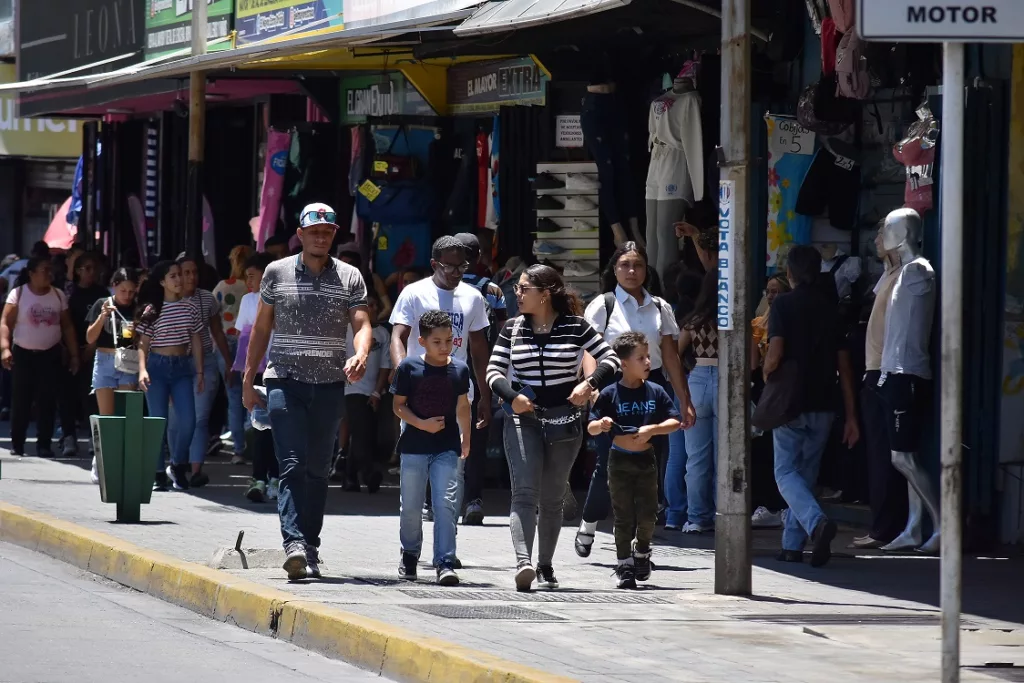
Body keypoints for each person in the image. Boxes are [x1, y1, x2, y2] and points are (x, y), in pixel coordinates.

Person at [242, 202, 373, 582]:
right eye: (314, 231)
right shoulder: (276, 272)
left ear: (334, 235)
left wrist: (361, 353)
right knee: (293, 464)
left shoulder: (350, 277)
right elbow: (262, 329)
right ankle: (294, 544)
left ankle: (310, 545)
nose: (321, 236)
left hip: (330, 384)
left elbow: (362, 323)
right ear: (300, 235)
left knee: (318, 469)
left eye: (328, 231)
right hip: (284, 379)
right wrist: (249, 379)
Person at [485, 264, 620, 592]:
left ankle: (545, 564)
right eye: (517, 288)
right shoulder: (512, 328)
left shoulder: (577, 327)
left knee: (551, 497)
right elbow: (493, 371)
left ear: (544, 294)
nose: (517, 294)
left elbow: (611, 359)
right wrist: (512, 396)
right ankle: (523, 562)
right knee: (525, 492)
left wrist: (589, 384)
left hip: (565, 422)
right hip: (522, 418)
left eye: (523, 289)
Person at [576, 242, 693, 556]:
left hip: (651, 386)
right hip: (612, 385)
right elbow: (590, 349)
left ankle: (637, 543)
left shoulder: (659, 306)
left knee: (648, 465)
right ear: (614, 269)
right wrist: (594, 385)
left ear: (646, 270)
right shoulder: (604, 304)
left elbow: (669, 355)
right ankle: (589, 522)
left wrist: (684, 398)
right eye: (625, 265)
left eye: (637, 265)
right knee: (608, 463)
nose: (631, 271)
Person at [763, 245, 860, 567]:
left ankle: (817, 523)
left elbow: (774, 354)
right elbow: (844, 366)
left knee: (785, 473)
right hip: (824, 402)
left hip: (791, 402)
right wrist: (850, 415)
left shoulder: (784, 305)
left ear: (789, 272)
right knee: (805, 475)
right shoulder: (830, 308)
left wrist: (766, 373)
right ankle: (792, 545)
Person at [389, 236, 491, 530]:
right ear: (434, 264)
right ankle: (413, 535)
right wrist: (402, 375)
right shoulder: (414, 293)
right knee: (415, 464)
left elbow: (479, 349)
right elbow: (398, 337)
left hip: (457, 393)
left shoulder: (472, 297)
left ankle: (446, 541)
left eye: (463, 266)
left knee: (455, 467)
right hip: (417, 394)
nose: (457, 272)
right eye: (450, 266)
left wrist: (484, 394)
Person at [589, 332, 681, 588]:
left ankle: (642, 551)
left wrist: (652, 430)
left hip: (646, 461)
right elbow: (591, 427)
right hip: (618, 461)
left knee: (649, 513)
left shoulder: (656, 391)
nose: (648, 362)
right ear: (624, 364)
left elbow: (674, 421)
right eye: (642, 358)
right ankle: (624, 565)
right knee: (623, 515)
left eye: (649, 357)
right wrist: (602, 424)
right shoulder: (609, 393)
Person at [391, 310, 472, 586]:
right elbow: (398, 406)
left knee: (446, 504)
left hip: (446, 447)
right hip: (414, 446)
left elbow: (463, 406)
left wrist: (466, 438)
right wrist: (421, 424)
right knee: (411, 507)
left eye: (449, 340)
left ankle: (445, 561)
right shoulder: (409, 368)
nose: (444, 347)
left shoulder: (459, 369)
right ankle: (410, 555)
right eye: (437, 341)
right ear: (422, 341)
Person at [453, 231, 507, 525]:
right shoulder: (493, 291)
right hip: (480, 372)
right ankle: (473, 500)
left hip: (443, 370)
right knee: (475, 435)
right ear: (479, 258)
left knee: (437, 433)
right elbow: (502, 333)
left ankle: (433, 499)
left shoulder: (440, 286)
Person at [135, 261, 205, 491]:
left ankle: (177, 464)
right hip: (156, 367)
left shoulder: (190, 308)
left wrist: (200, 371)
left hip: (182, 368)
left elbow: (196, 340)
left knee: (188, 421)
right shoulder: (152, 310)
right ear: (162, 282)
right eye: (172, 276)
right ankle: (157, 473)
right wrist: (142, 369)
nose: (178, 280)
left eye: (179, 275)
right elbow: (143, 344)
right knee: (158, 422)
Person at [0, 256, 79, 457]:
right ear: (31, 273)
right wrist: (5, 348)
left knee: (47, 401)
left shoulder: (58, 295)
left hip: (50, 354)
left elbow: (67, 326)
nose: (48, 274)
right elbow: (5, 323)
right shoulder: (18, 294)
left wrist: (74, 354)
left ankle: (44, 444)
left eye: (50, 270)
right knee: (21, 400)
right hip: (24, 354)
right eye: (44, 270)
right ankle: (17, 442)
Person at [169, 255, 232, 486]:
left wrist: (228, 363)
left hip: (205, 362)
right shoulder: (167, 300)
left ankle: (196, 470)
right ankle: (177, 464)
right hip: (176, 364)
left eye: (194, 272)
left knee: (199, 418)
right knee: (176, 420)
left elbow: (218, 332)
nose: (191, 277)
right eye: (186, 272)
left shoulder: (207, 299)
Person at [232, 252, 279, 503]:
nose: (249, 281)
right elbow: (243, 341)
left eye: (253, 276)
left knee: (279, 428)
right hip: (258, 371)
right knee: (261, 426)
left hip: (281, 368)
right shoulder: (249, 300)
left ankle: (276, 478)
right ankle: (259, 478)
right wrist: (244, 375)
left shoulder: (283, 298)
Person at [85, 268, 140, 483]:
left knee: (125, 416)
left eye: (131, 291)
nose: (126, 295)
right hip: (105, 360)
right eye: (122, 290)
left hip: (128, 361)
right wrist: (103, 316)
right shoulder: (102, 303)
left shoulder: (137, 308)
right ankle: (100, 462)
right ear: (114, 286)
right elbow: (90, 338)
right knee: (106, 417)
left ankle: (120, 461)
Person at [677, 268, 720, 534]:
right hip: (728, 379)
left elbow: (675, 353)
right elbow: (751, 358)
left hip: (698, 379)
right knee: (725, 457)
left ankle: (696, 517)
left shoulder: (694, 321)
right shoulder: (733, 319)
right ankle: (723, 512)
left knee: (696, 458)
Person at [749, 273, 792, 529]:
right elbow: (754, 362)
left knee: (779, 450)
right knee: (762, 450)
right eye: (768, 291)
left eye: (776, 291)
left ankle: (781, 505)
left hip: (777, 388)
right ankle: (768, 504)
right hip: (761, 390)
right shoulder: (758, 323)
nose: (771, 295)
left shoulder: (788, 320)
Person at [338, 289, 391, 492]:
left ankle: (349, 477)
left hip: (373, 391)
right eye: (369, 304)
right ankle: (368, 473)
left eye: (376, 305)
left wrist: (377, 392)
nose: (374, 308)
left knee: (365, 434)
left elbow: (385, 365)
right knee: (360, 433)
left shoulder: (383, 334)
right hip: (351, 389)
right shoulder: (349, 330)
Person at [64, 251, 110, 457]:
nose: (92, 273)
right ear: (78, 271)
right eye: (87, 269)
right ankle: (68, 437)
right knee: (67, 395)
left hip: (94, 351)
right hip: (71, 351)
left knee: (91, 396)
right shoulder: (69, 293)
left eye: (95, 269)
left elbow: (108, 323)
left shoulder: (102, 293)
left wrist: (93, 346)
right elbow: (65, 324)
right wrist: (72, 350)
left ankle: (94, 437)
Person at [213, 245, 254, 464]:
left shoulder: (222, 287)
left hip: (225, 344)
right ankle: (251, 444)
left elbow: (212, 316)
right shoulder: (252, 288)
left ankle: (238, 450)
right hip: (248, 342)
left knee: (233, 398)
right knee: (253, 396)